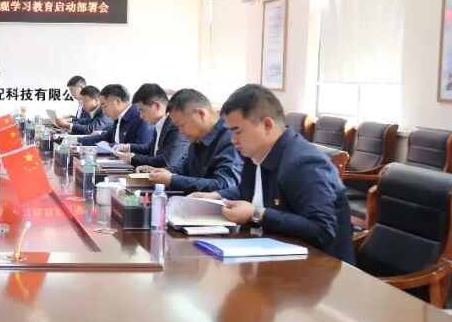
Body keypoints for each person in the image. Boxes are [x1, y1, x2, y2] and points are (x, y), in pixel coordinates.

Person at [197, 84, 355, 263]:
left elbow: (322, 231)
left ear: (267, 125)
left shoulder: (304, 164)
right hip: (269, 257)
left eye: (237, 131)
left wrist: (257, 214)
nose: (233, 140)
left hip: (317, 269)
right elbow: (250, 192)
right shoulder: (254, 154)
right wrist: (216, 196)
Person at [142, 88, 241, 193]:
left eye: (182, 125)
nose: (181, 132)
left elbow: (224, 185)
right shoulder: (197, 136)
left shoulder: (230, 138)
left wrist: (172, 180)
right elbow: (185, 169)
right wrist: (162, 172)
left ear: (201, 114)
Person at [115, 83, 189, 169]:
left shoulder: (175, 125)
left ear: (157, 106)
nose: (141, 116)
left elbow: (166, 161)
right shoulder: (160, 122)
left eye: (142, 110)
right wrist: (128, 147)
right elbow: (152, 148)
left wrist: (133, 158)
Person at [78, 84, 153, 148]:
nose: (103, 111)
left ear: (117, 101)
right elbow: (105, 137)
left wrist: (110, 146)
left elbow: (142, 149)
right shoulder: (119, 117)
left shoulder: (141, 117)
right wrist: (77, 141)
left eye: (104, 106)